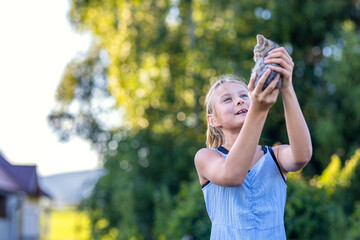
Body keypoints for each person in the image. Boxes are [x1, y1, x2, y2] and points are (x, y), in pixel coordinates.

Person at [194, 47, 312, 239]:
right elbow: (232, 175)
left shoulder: (275, 156)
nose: (239, 101)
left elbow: (302, 156)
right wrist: (258, 110)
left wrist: (286, 86)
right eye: (227, 99)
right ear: (213, 120)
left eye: (243, 95)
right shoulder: (206, 157)